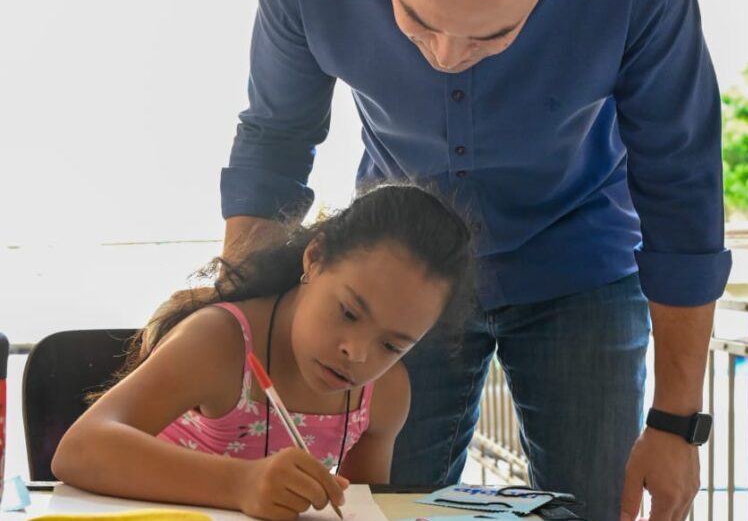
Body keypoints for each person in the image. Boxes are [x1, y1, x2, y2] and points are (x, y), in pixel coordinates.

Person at [221, 0, 732, 521]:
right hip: (397, 280)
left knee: (594, 509)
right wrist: (236, 327)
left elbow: (682, 179)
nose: (446, 56)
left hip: (581, 262)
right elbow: (275, 144)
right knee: (375, 510)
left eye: (492, 33)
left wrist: (678, 423)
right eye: (417, 18)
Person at [52, 184, 476, 521]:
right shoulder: (220, 342)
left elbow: (356, 509)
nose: (358, 353)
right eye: (348, 312)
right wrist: (240, 484)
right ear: (316, 257)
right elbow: (79, 451)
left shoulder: (384, 394)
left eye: (392, 345)